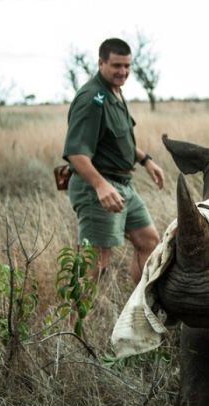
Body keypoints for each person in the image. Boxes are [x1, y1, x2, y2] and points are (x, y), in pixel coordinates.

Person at [62, 38, 164, 284]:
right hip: (98, 186)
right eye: (117, 65)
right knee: (95, 264)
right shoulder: (91, 99)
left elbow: (118, 140)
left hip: (123, 185)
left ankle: (137, 309)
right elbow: (76, 153)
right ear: (101, 63)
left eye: (127, 66)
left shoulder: (115, 92)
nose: (123, 72)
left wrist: (146, 160)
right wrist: (100, 186)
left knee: (149, 242)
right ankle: (74, 322)